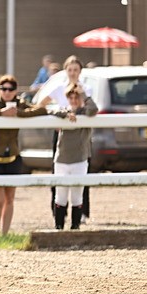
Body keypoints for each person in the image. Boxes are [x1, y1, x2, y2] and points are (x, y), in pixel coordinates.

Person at [0, 75, 47, 234]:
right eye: (3, 89)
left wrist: (18, 113)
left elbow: (39, 109)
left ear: (16, 91)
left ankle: (5, 234)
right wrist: (1, 112)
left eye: (10, 89)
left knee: (10, 199)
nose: (7, 92)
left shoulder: (19, 103)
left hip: (13, 154)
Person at [34, 54, 96, 223]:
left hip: (81, 134)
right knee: (59, 172)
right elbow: (41, 104)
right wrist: (56, 115)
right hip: (62, 132)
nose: (73, 73)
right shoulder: (58, 87)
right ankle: (59, 213)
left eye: (76, 70)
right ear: (66, 71)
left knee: (82, 172)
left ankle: (82, 212)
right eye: (70, 69)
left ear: (80, 71)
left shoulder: (86, 89)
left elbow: (91, 109)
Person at [48, 83, 97, 229]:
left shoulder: (85, 113)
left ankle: (75, 227)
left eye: (77, 97)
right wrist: (66, 115)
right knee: (60, 196)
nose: (74, 100)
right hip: (62, 159)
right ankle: (59, 227)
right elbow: (52, 111)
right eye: (71, 97)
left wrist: (85, 96)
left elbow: (94, 110)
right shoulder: (63, 111)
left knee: (77, 196)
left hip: (80, 159)